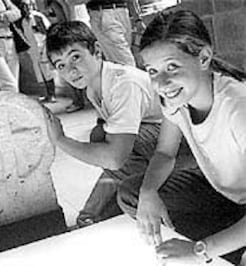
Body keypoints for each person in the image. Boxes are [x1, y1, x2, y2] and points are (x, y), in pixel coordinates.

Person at [117, 9, 246, 265]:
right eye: (152, 71)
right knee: (133, 194)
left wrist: (201, 250)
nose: (162, 82)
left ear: (204, 57)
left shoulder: (238, 107)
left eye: (172, 67)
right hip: (225, 195)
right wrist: (149, 191)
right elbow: (165, 153)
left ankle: (224, 246)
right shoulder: (176, 99)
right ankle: (230, 242)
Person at [45, 21, 163, 227]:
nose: (71, 70)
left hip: (179, 144)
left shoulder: (123, 84)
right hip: (153, 141)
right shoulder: (93, 87)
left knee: (111, 145)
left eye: (76, 57)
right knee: (100, 135)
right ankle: (97, 213)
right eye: (61, 65)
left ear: (97, 51)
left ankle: (156, 190)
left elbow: (115, 158)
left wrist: (60, 140)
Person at [71, 0, 145, 67]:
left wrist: (137, 19)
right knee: (124, 61)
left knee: (121, 62)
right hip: (106, 14)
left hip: (120, 13)